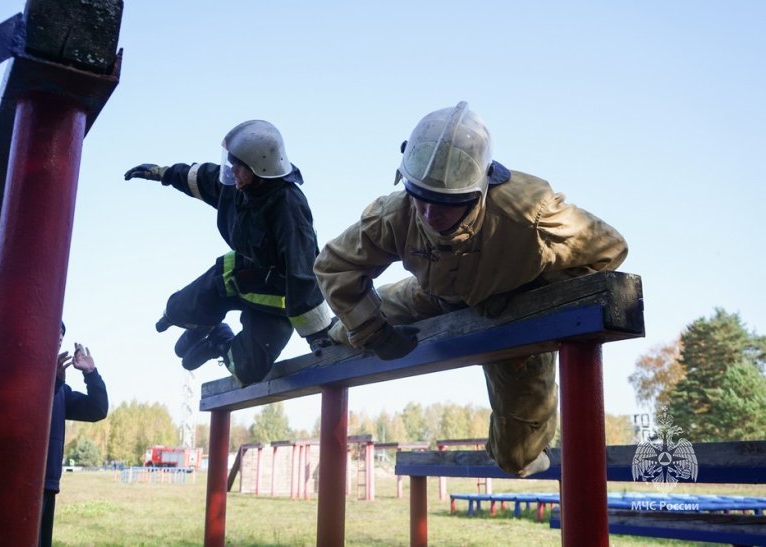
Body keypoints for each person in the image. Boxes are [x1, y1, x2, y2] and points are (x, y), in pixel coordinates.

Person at [313, 102, 628, 477]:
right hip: (431, 295)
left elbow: (608, 250)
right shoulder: (396, 213)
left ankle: (528, 449)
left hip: (508, 310)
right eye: (421, 198)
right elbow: (335, 265)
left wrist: (531, 293)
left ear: (479, 190)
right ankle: (331, 334)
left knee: (518, 456)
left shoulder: (530, 213)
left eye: (445, 204)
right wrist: (374, 333)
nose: (429, 214)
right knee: (346, 332)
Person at [124, 120, 334, 386]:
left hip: (278, 299)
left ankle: (218, 341)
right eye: (231, 162)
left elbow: (302, 273)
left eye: (239, 165)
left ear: (261, 167)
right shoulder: (235, 187)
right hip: (239, 275)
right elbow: (200, 178)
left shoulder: (288, 206)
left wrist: (318, 333)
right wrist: (164, 173)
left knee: (248, 371)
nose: (232, 170)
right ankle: (199, 322)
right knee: (178, 309)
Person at [41, 322, 108, 546]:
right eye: (54, 334)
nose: (58, 340)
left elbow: (97, 409)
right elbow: (31, 408)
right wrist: (57, 382)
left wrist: (91, 374)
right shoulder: (19, 375)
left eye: (61, 337)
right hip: (18, 482)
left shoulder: (62, 391)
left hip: (47, 484)